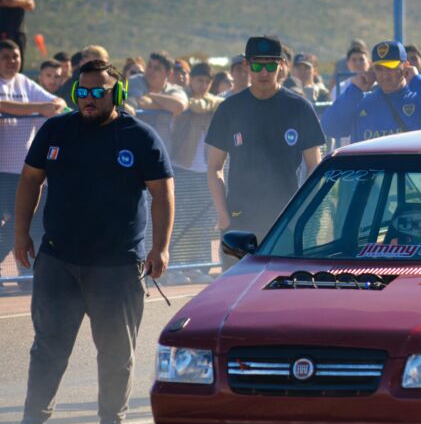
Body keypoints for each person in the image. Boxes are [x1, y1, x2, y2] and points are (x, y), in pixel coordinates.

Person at [4, 59, 174, 424]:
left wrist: (160, 247)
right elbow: (31, 179)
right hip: (58, 260)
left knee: (116, 350)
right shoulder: (56, 129)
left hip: (117, 265)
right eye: (82, 91)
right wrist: (20, 234)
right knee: (48, 344)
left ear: (118, 94)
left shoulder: (139, 136)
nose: (89, 99)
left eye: (99, 91)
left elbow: (163, 193)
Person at [205, 35, 325, 262]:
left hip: (286, 223)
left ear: (281, 66)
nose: (264, 72)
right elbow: (214, 168)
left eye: (270, 65)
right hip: (239, 224)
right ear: (246, 65)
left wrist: (301, 214)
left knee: (285, 293)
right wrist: (223, 217)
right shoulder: (229, 109)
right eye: (257, 65)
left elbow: (314, 166)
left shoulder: (299, 108)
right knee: (236, 294)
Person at [0, 40, 66, 284]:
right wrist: (39, 108)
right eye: (6, 57)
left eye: (15, 56)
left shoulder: (24, 81)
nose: (12, 61)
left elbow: (57, 103)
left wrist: (43, 106)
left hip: (24, 168)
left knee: (26, 220)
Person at [321, 40, 421, 143]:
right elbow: (329, 127)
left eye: (390, 68)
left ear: (405, 67)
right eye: (379, 69)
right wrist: (354, 90)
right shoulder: (361, 102)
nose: (384, 74)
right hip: (370, 180)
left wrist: (417, 81)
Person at [168, 62, 221, 284]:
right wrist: (199, 104)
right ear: (192, 80)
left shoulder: (215, 102)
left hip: (205, 170)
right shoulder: (184, 100)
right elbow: (195, 106)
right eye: (200, 80)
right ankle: (176, 266)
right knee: (180, 220)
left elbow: (220, 102)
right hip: (183, 167)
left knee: (203, 221)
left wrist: (207, 102)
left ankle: (200, 266)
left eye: (207, 81)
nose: (203, 85)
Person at [125, 50, 188, 153]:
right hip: (135, 149)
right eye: (149, 66)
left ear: (169, 73)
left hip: (163, 152)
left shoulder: (175, 89)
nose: (150, 71)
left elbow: (179, 106)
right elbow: (141, 102)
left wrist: (150, 95)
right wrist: (167, 104)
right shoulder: (136, 81)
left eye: (157, 68)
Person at [0, 0, 34, 72]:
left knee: (18, 65)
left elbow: (31, 5)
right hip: (5, 29)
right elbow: (6, 1)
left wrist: (15, 1)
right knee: (5, 62)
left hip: (20, 31)